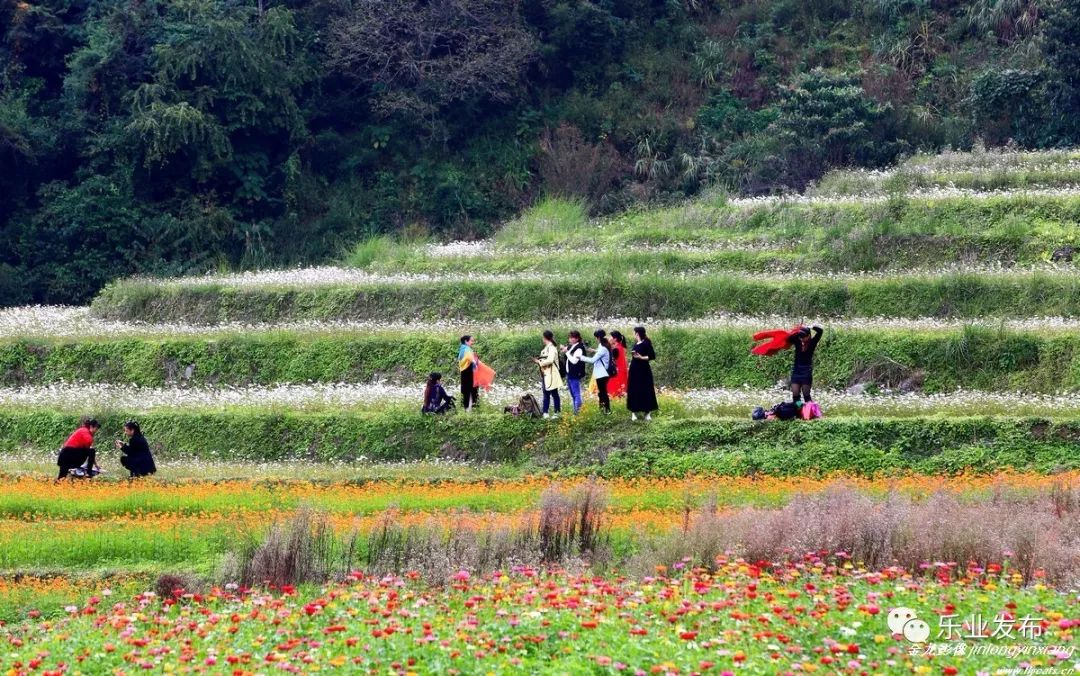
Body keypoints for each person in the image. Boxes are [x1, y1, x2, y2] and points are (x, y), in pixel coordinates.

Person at [626, 326, 659, 421]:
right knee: (634, 389)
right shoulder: (636, 343)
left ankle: (647, 412)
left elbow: (652, 356)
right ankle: (634, 412)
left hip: (644, 370)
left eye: (634, 332)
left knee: (646, 389)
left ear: (637, 333)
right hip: (634, 370)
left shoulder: (646, 343)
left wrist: (641, 357)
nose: (633, 334)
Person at [580, 330, 615, 413]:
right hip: (602, 373)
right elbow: (601, 352)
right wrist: (594, 351)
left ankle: (606, 410)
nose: (596, 339)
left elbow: (592, 360)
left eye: (596, 337)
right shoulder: (604, 345)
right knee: (602, 392)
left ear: (598, 337)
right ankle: (603, 409)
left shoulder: (602, 347)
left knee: (603, 392)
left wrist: (580, 357)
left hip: (602, 373)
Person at [790, 325, 824, 403]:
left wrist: (811, 326)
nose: (802, 339)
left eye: (804, 336)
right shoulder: (797, 341)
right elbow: (789, 337)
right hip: (796, 371)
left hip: (806, 371)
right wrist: (797, 330)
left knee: (806, 395)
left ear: (809, 336)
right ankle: (799, 410)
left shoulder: (812, 342)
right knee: (795, 395)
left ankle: (810, 411)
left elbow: (820, 331)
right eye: (800, 337)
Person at [533, 330, 563, 417]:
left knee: (554, 394)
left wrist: (539, 362)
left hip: (552, 374)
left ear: (545, 338)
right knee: (546, 394)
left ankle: (557, 413)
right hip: (545, 374)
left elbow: (550, 360)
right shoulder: (546, 348)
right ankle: (545, 412)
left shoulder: (552, 348)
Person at [561, 330, 587, 414]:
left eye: (573, 338)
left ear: (577, 338)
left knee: (576, 394)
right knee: (573, 394)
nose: (571, 339)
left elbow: (574, 361)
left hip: (575, 373)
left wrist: (566, 352)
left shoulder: (579, 348)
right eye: (570, 337)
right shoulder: (572, 346)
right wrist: (565, 349)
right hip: (569, 373)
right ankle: (576, 411)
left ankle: (577, 413)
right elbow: (567, 350)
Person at [457, 335, 479, 412]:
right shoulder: (467, 349)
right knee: (473, 389)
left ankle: (465, 408)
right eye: (471, 341)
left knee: (465, 390)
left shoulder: (462, 349)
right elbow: (471, 359)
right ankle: (473, 408)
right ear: (466, 341)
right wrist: (475, 363)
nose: (472, 342)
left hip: (464, 372)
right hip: (469, 372)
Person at [607, 331, 629, 398]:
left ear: (615, 339)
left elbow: (611, 361)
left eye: (611, 337)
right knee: (622, 391)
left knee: (613, 391)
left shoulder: (615, 349)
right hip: (623, 371)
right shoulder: (621, 347)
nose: (610, 338)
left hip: (617, 372)